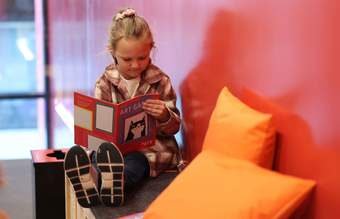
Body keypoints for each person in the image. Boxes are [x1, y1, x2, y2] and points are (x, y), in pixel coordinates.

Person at [64, 8, 184, 208]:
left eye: (142, 57)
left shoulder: (161, 81)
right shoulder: (104, 83)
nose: (136, 65)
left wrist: (164, 115)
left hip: (149, 150)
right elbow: (97, 131)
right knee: (100, 158)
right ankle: (92, 178)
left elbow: (174, 128)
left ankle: (106, 183)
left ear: (151, 49)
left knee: (135, 165)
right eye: (127, 59)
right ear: (113, 54)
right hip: (112, 151)